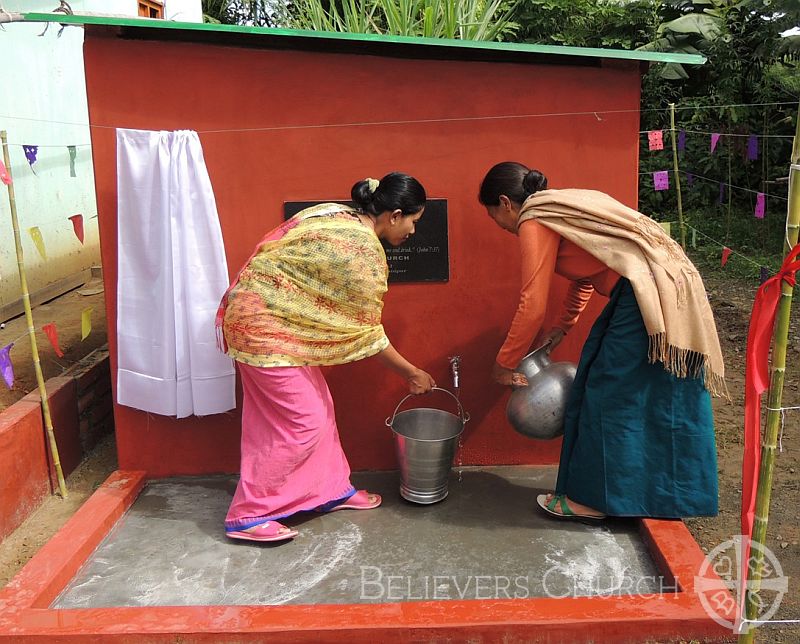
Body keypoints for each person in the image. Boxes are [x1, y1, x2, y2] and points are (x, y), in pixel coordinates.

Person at [479, 162, 724, 520]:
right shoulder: (563, 205)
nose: (500, 226)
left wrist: (503, 365)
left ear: (505, 203)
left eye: (493, 216)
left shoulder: (534, 218)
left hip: (642, 293)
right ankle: (669, 496)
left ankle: (592, 501)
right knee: (659, 390)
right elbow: (590, 269)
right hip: (659, 286)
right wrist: (565, 325)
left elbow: (531, 305)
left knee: (606, 390)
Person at [216, 172, 436, 542]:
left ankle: (329, 490)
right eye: (414, 221)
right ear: (395, 215)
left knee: (318, 408)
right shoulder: (362, 249)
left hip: (266, 322)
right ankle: (250, 515)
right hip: (265, 330)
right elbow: (367, 333)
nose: (413, 231)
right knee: (305, 423)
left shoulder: (337, 215)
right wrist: (412, 373)